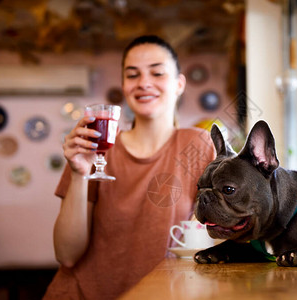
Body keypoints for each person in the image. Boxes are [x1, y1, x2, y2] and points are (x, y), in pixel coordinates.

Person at [43, 35, 216, 299]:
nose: (144, 83)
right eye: (133, 75)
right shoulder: (94, 150)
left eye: (157, 72)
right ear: (124, 86)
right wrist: (79, 174)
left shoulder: (199, 145)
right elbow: (66, 255)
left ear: (179, 83)